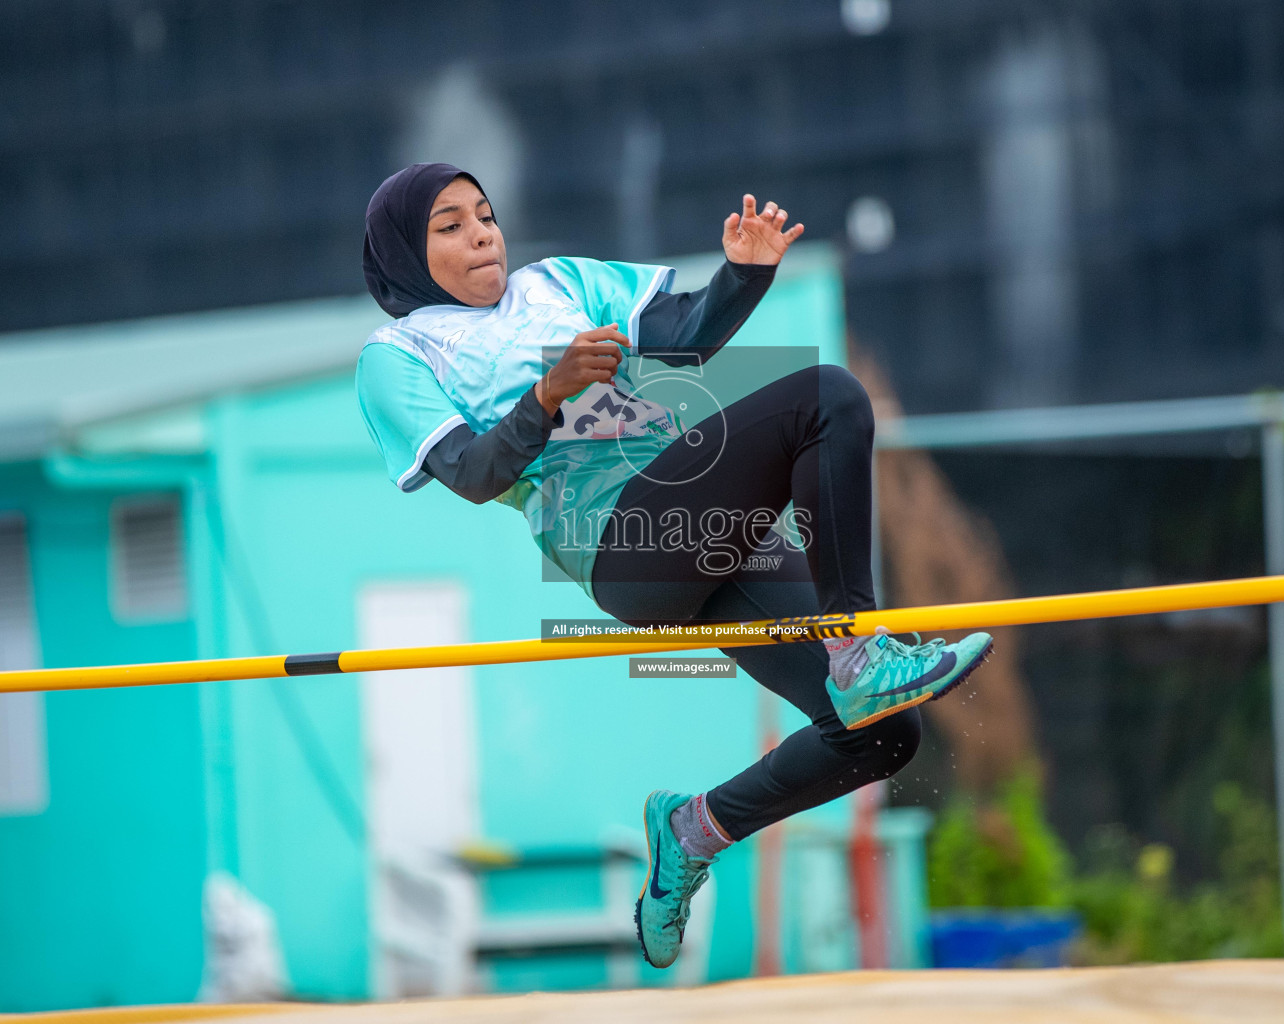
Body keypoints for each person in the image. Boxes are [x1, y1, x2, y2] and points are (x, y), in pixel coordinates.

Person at [355, 163, 992, 969]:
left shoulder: (556, 283)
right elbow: (476, 476)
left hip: (703, 512)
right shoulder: (397, 355)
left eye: (485, 215)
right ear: (406, 255)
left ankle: (693, 830)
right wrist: (547, 393)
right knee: (827, 396)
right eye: (450, 226)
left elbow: (686, 335)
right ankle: (856, 648)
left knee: (882, 734)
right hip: (623, 545)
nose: (482, 234)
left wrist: (745, 274)